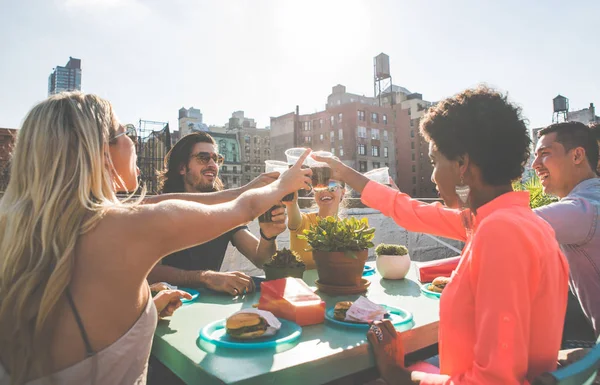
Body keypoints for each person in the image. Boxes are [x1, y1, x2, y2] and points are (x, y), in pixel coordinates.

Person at [0, 92, 312, 385]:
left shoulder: (20, 225)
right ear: (99, 151)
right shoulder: (127, 224)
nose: (134, 141)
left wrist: (144, 301)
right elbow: (242, 206)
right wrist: (283, 183)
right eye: (125, 133)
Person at [313, 86, 569, 384]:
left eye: (435, 161)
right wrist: (344, 174)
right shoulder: (514, 221)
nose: (433, 175)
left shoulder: (501, 233)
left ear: (462, 164)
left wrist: (398, 374)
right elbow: (409, 211)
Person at [147, 132, 288, 296]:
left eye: (216, 159)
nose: (213, 165)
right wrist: (205, 278)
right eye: (203, 158)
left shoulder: (225, 208)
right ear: (182, 167)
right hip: (168, 305)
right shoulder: (159, 209)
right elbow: (150, 272)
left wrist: (268, 236)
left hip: (211, 305)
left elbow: (262, 260)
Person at [532, 122, 600, 343]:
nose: (535, 164)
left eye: (545, 154)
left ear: (577, 155)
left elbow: (503, 224)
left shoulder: (582, 209)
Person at [284, 180, 346, 269]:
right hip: (302, 283)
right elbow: (292, 207)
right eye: (318, 187)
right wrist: (292, 202)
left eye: (332, 186)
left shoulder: (347, 231)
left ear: (343, 192)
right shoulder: (303, 221)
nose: (324, 191)